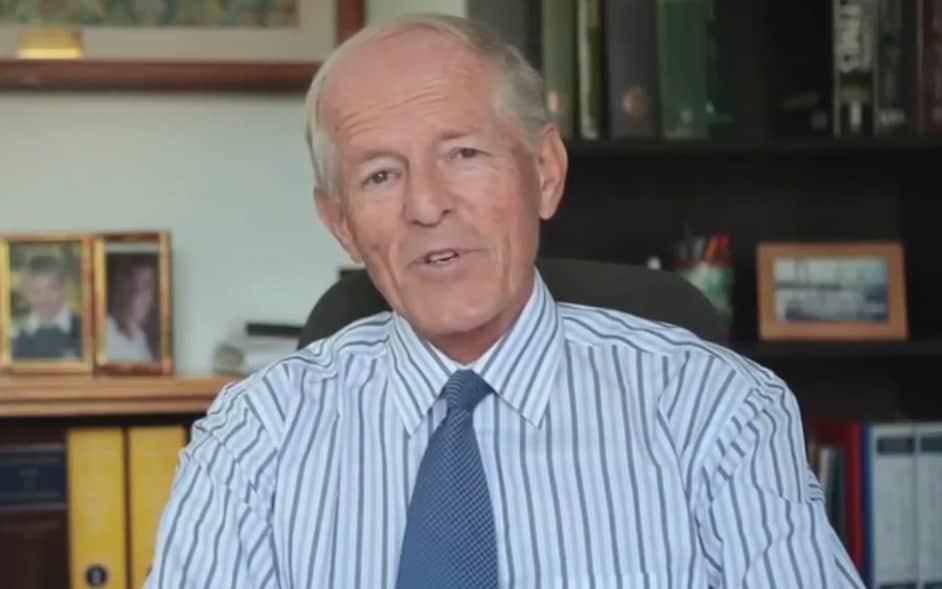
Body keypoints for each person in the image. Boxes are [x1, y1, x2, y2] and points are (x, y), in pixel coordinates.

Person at [146, 13, 865, 588]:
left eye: (464, 154)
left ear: (545, 173)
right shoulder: (255, 436)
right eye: (381, 176)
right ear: (341, 224)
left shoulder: (716, 411)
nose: (427, 205)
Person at [11, 254, 82, 360]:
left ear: (64, 288)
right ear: (25, 295)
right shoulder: (13, 335)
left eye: (52, 289)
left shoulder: (86, 329)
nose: (44, 298)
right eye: (36, 292)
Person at [105, 256, 157, 362]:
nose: (147, 298)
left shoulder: (140, 338)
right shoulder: (106, 331)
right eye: (142, 287)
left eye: (148, 287)